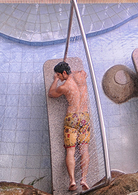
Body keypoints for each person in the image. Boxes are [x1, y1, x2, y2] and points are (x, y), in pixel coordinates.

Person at [48, 61, 90, 192]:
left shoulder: (64, 87)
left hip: (71, 118)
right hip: (84, 117)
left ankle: (72, 181)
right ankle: (83, 179)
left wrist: (55, 81)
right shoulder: (81, 75)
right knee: (84, 149)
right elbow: (84, 72)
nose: (59, 78)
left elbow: (51, 93)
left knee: (70, 150)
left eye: (59, 75)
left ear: (64, 73)